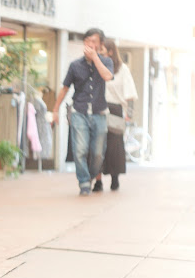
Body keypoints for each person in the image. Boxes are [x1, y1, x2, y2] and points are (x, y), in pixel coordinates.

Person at [52, 28, 114, 196]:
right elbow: (65, 88)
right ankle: (84, 182)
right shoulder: (75, 65)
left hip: (99, 112)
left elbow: (107, 76)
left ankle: (92, 175)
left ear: (100, 44)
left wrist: (95, 58)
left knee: (98, 152)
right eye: (87, 41)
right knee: (80, 150)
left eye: (94, 41)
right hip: (79, 111)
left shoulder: (106, 62)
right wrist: (55, 109)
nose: (90, 44)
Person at [93, 39, 138, 191]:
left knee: (114, 146)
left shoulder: (122, 69)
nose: (99, 54)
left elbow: (130, 93)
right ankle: (97, 180)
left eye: (102, 51)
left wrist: (129, 114)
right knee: (97, 145)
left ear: (110, 52)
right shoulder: (97, 67)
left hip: (115, 110)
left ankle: (114, 178)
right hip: (98, 108)